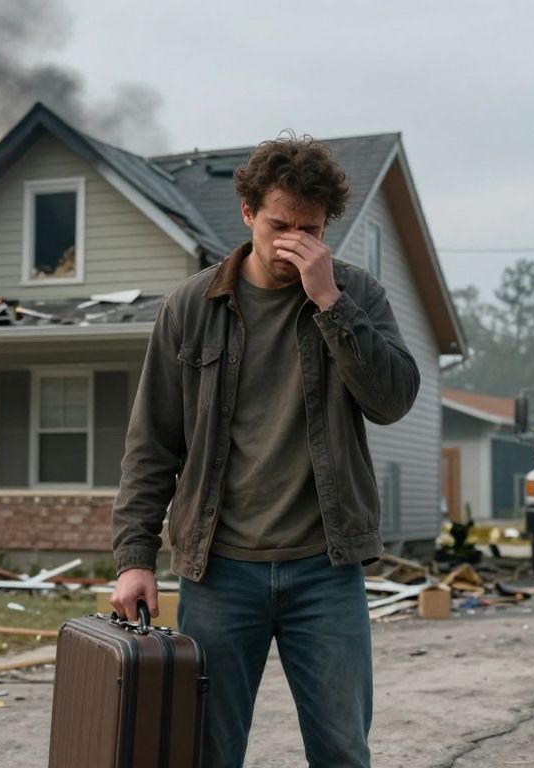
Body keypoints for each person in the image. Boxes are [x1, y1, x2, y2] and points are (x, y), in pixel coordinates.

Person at [109, 134, 419, 767]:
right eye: (280, 224)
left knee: (341, 750)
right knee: (208, 752)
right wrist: (134, 557)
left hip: (325, 569)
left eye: (310, 229)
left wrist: (330, 302)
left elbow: (393, 401)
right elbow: (152, 444)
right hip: (220, 570)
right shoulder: (189, 309)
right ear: (248, 213)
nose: (292, 244)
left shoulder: (354, 293)